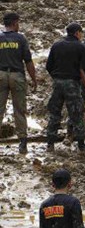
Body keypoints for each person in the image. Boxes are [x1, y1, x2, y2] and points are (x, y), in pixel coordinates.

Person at [46, 22, 85, 152]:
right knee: (77, 114)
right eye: (81, 33)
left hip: (57, 83)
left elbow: (48, 66)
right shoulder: (81, 47)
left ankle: (50, 144)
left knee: (55, 113)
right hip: (72, 84)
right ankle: (81, 145)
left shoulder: (56, 45)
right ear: (77, 33)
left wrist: (56, 77)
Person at [0, 12, 37, 154]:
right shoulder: (21, 39)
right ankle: (22, 143)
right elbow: (28, 61)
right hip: (17, 76)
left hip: (1, 75)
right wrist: (33, 79)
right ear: (15, 23)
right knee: (19, 110)